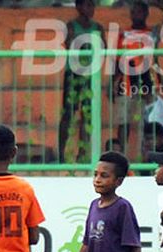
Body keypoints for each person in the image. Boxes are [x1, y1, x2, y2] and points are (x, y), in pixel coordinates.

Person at [113, 0, 163, 150]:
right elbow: (116, 59)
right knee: (124, 122)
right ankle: (120, 154)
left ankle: (150, 154)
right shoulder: (123, 34)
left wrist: (157, 4)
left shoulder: (153, 32)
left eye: (140, 11)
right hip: (127, 80)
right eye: (134, 11)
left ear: (146, 13)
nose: (137, 15)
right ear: (130, 14)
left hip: (150, 80)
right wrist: (113, 83)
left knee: (150, 120)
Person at [58, 0, 104, 163]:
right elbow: (72, 46)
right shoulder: (71, 26)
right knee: (68, 115)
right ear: (78, 7)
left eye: (92, 5)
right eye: (87, 5)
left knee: (88, 116)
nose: (90, 9)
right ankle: (61, 155)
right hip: (74, 74)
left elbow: (102, 48)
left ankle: (83, 154)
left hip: (91, 76)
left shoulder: (97, 27)